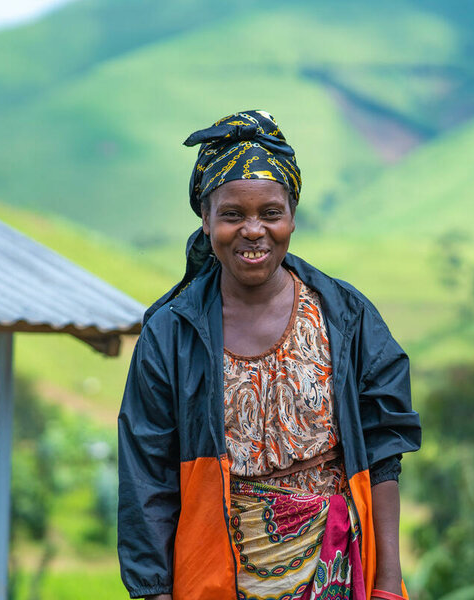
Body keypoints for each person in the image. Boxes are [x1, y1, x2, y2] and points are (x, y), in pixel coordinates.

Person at [117, 110, 421, 600]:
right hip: (214, 569)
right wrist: (153, 591)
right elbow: (145, 476)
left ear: (292, 216)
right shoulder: (171, 334)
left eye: (270, 214)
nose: (253, 230)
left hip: (336, 568)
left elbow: (384, 451)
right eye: (233, 214)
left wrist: (387, 582)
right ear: (206, 219)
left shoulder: (345, 317)